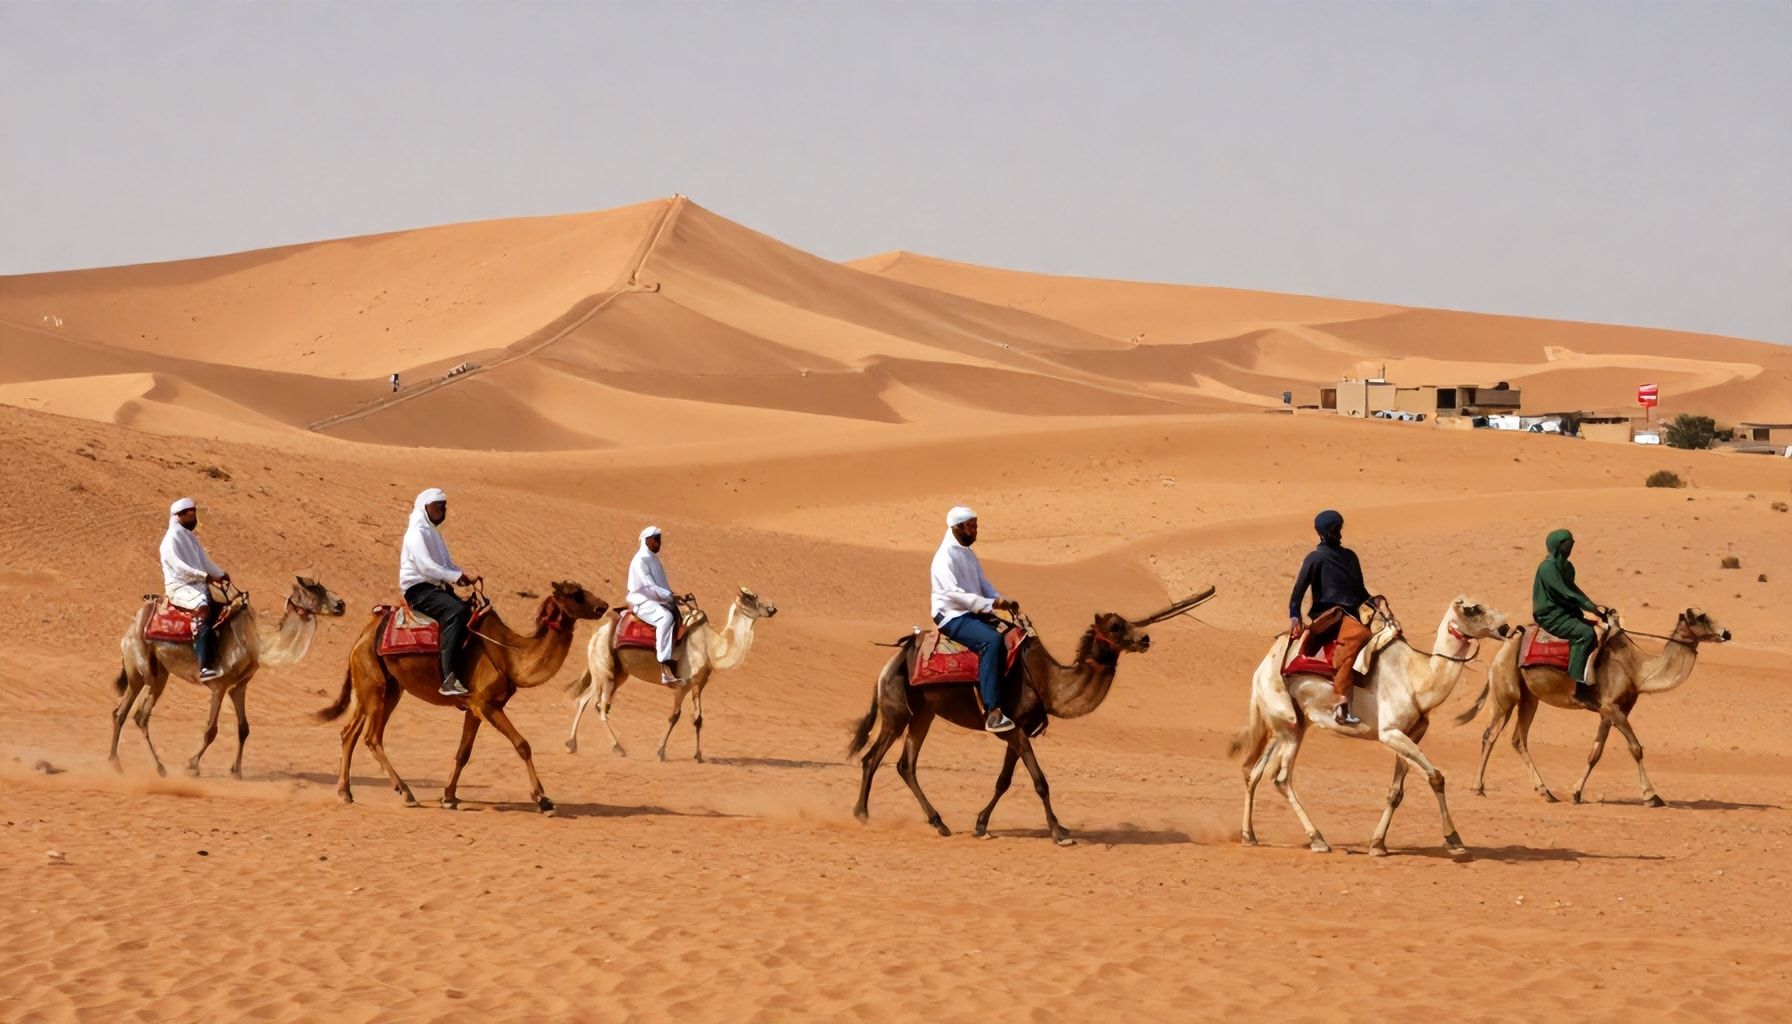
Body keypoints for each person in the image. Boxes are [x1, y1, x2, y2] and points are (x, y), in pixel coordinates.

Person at [931, 506, 1020, 733]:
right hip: (952, 615)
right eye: (971, 526)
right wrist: (990, 605)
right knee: (992, 642)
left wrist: (1001, 599)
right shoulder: (944, 558)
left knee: (1017, 633)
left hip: (973, 611)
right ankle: (993, 712)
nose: (975, 530)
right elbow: (956, 595)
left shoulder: (968, 554)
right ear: (957, 528)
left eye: (976, 525)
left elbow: (983, 583)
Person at [1288, 509, 1376, 727]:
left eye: (1338, 528)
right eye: (1334, 529)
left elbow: (1360, 592)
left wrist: (1377, 603)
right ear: (1326, 532)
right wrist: (1295, 617)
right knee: (1353, 640)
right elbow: (1297, 593)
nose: (1338, 533)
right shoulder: (1315, 558)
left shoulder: (1350, 557)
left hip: (1352, 615)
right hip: (1327, 617)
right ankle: (1341, 706)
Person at [399, 488, 479, 696]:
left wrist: (462, 576)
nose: (442, 510)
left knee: (473, 612)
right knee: (455, 611)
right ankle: (448, 678)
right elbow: (427, 567)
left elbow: (445, 565)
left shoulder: (432, 533)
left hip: (435, 587)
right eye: (438, 505)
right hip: (418, 590)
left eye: (444, 506)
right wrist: (455, 576)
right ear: (425, 507)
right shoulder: (416, 533)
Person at [1532, 528, 1609, 709]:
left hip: (1566, 612)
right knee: (1585, 633)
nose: (1571, 546)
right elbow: (1566, 593)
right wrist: (1592, 608)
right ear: (1558, 546)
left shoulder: (1566, 567)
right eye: (1567, 543)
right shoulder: (1547, 568)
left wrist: (1595, 607)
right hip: (1550, 615)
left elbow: (1574, 590)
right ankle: (1578, 688)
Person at [161, 497, 231, 680]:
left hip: (197, 585)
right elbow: (179, 567)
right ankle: (204, 665)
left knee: (228, 606)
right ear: (179, 516)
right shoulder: (170, 540)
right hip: (179, 586)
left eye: (194, 515)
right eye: (190, 516)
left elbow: (204, 561)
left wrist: (220, 574)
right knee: (202, 608)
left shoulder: (190, 538)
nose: (194, 519)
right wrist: (204, 577)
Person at [627, 526, 691, 684]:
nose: (658, 543)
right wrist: (669, 596)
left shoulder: (653, 560)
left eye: (659, 539)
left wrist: (674, 597)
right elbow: (648, 587)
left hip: (657, 599)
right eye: (655, 539)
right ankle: (665, 666)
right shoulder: (640, 560)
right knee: (665, 618)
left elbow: (661, 586)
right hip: (641, 600)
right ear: (646, 540)